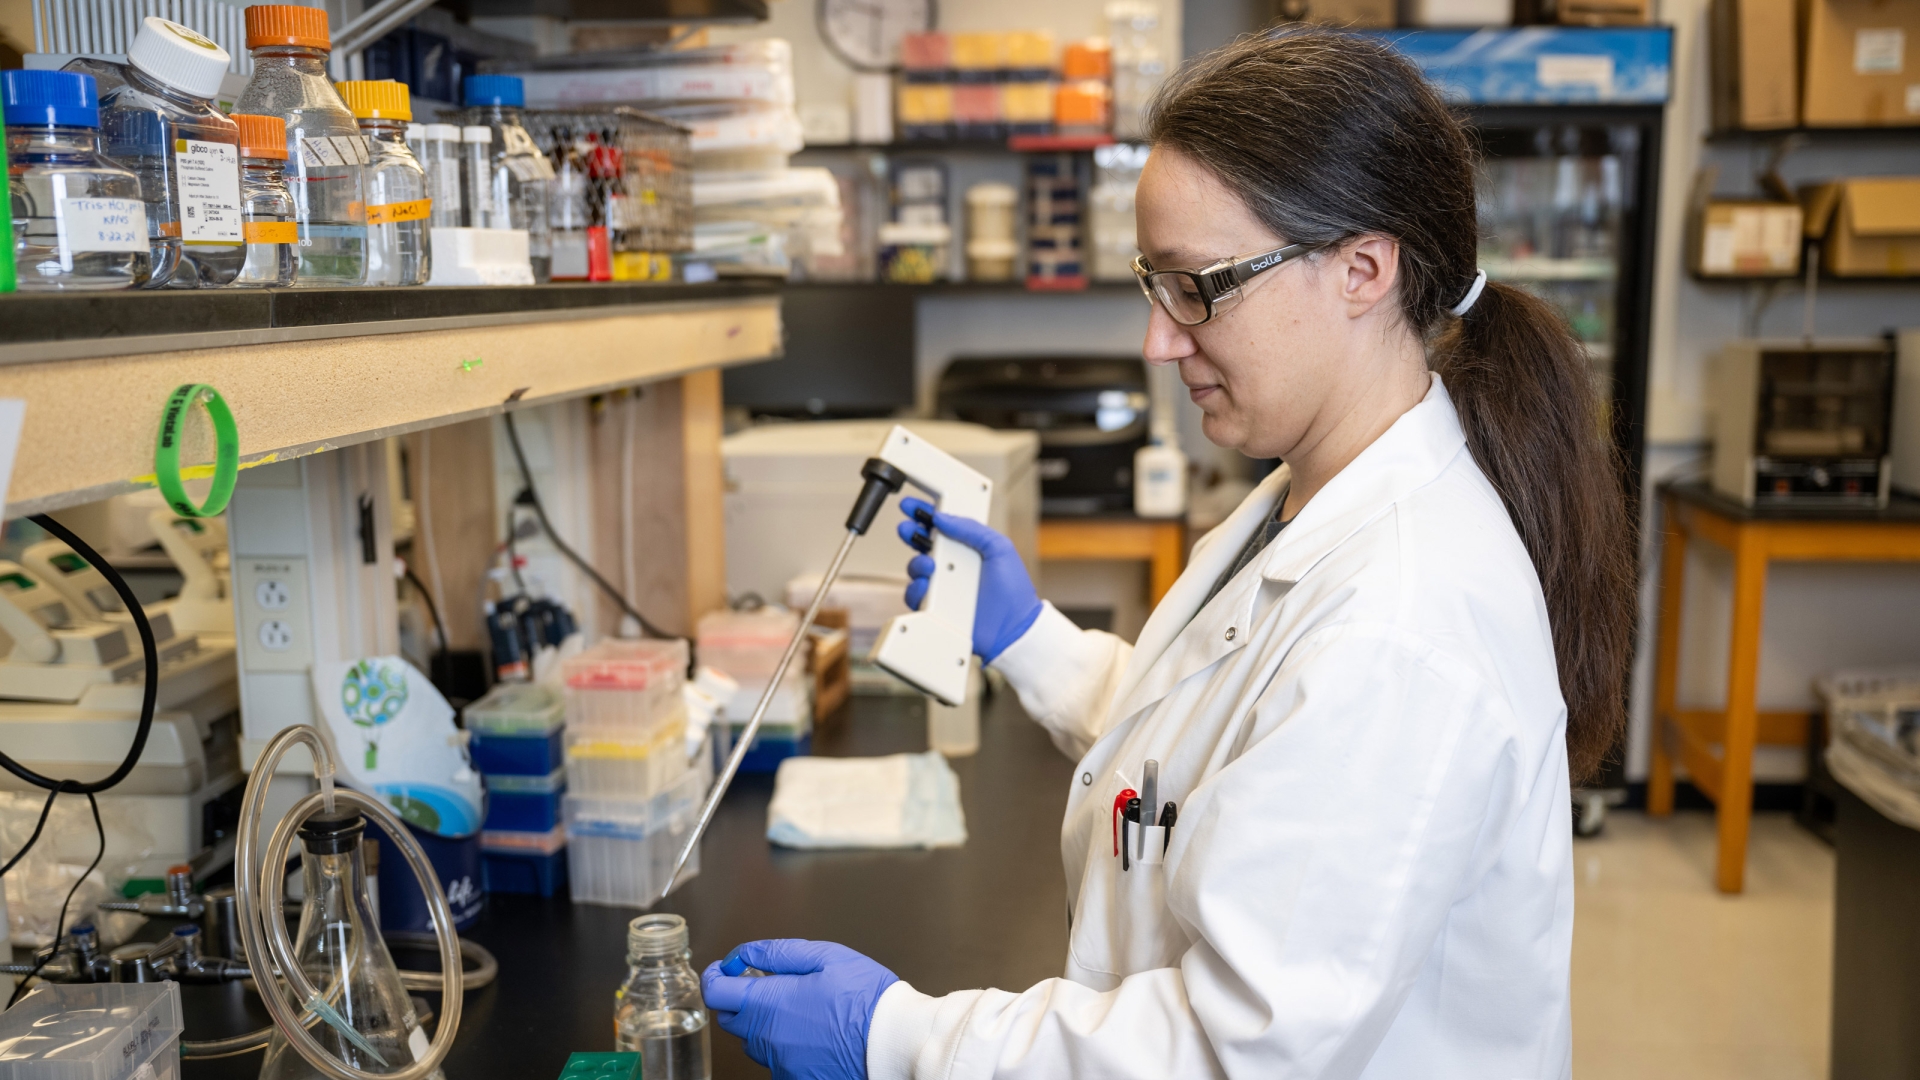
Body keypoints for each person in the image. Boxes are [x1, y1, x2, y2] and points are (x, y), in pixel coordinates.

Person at [702, 26, 1636, 1080]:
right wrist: (1030, 639)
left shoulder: (1404, 626)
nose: (1159, 338)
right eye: (1156, 283)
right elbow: (1226, 750)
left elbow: (1234, 1051)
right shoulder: (1308, 492)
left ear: (1364, 269)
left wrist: (902, 1037)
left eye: (1200, 285)